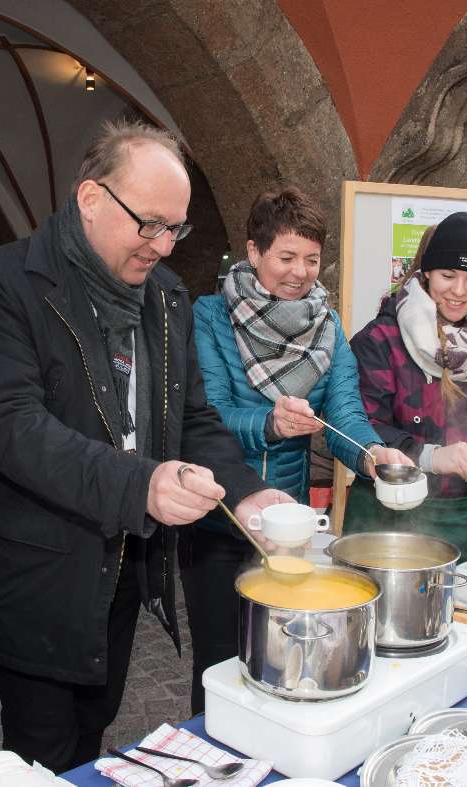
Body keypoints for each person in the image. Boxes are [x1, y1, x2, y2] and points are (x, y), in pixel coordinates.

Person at [0, 120, 289, 772]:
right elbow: (8, 426)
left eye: (177, 228)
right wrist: (141, 484)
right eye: (150, 223)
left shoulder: (165, 298)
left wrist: (247, 494)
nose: (163, 244)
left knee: (95, 727)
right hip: (39, 571)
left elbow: (191, 417)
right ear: (91, 199)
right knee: (42, 753)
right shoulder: (2, 284)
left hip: (124, 566)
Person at [182, 186, 411, 713]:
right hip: (218, 518)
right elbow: (206, 413)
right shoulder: (210, 317)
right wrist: (269, 423)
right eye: (286, 257)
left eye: (311, 259)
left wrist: (372, 454)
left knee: (281, 657)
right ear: (254, 251)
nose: (300, 272)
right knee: (218, 664)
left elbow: (345, 414)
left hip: (287, 524)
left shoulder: (326, 324)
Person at [344, 212, 467, 559]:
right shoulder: (382, 340)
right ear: (426, 272)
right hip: (387, 516)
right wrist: (431, 456)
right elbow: (361, 429)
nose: (459, 291)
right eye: (447, 275)